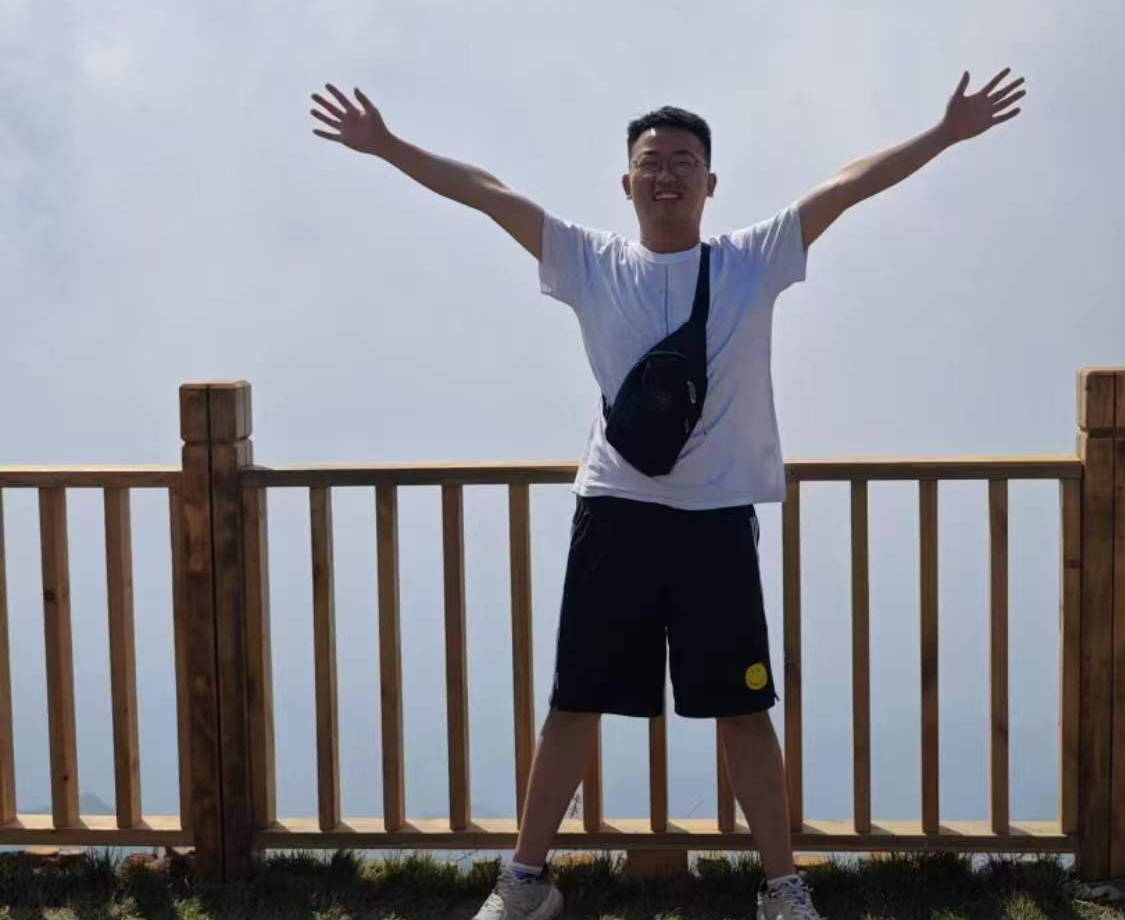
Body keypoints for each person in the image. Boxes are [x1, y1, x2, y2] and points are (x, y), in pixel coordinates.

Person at [310, 69, 1025, 920]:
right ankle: (526, 882)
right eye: (650, 162)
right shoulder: (590, 261)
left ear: (710, 182)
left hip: (715, 522)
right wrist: (388, 146)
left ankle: (783, 888)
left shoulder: (752, 259)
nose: (666, 175)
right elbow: (488, 193)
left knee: (744, 710)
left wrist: (943, 133)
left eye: (684, 162)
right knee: (574, 702)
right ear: (626, 182)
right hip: (614, 511)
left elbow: (845, 187)